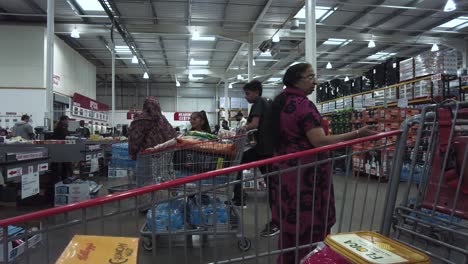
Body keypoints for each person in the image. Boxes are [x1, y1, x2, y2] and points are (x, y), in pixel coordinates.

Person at [270, 63, 377, 263]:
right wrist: (357, 134)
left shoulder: (280, 104)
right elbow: (319, 141)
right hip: (306, 177)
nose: (315, 82)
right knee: (310, 225)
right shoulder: (303, 105)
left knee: (291, 226)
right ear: (296, 80)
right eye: (310, 77)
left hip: (285, 173)